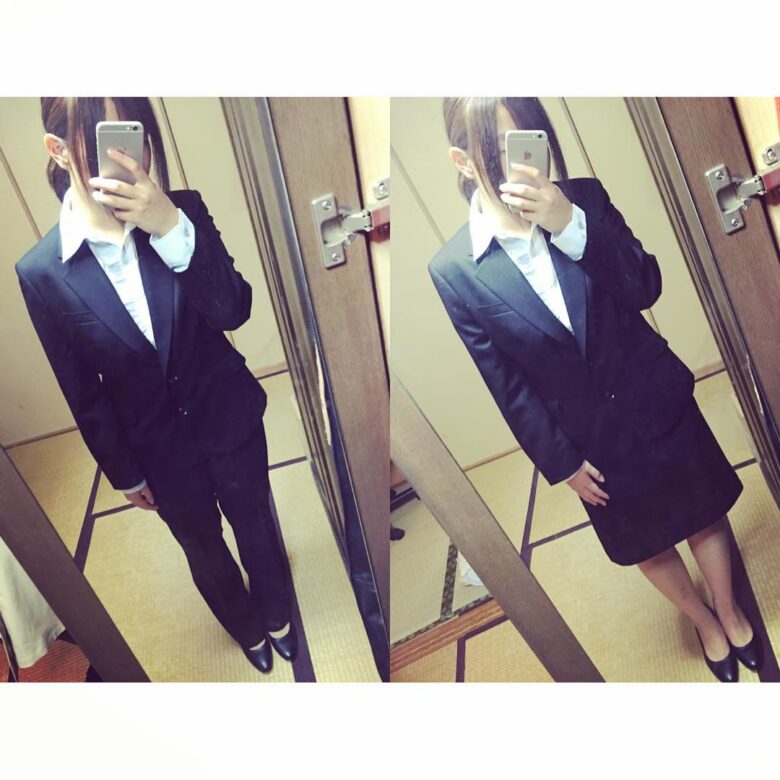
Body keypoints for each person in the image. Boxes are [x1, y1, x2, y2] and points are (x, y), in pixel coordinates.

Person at [429, 97, 758, 682]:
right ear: (462, 160)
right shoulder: (454, 269)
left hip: (654, 394)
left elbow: (645, 284)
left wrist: (570, 225)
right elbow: (504, 383)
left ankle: (729, 609)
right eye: (498, 147)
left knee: (701, 508)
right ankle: (704, 622)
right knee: (645, 541)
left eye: (528, 138)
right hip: (587, 439)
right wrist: (560, 463)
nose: (519, 159)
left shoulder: (583, 199)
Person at [15, 97, 297, 675]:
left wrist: (169, 227)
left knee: (256, 522)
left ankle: (277, 614)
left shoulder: (181, 210)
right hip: (155, 449)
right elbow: (82, 392)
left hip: (228, 413)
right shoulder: (41, 271)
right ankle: (245, 627)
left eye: (133, 133)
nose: (127, 157)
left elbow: (233, 309)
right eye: (103, 138)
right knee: (202, 546)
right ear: (59, 150)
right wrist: (124, 473)